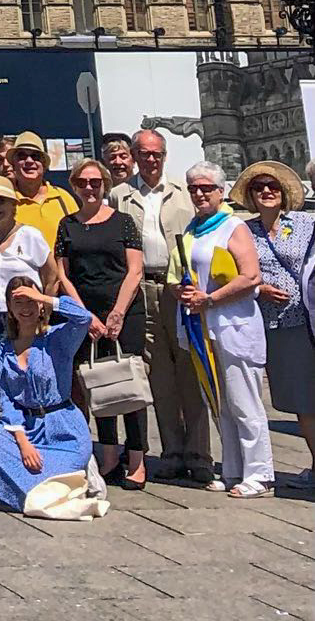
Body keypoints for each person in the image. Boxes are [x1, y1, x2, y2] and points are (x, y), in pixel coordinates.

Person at [110, 127, 206, 483]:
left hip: (179, 287)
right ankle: (172, 452)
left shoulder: (182, 192)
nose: (151, 159)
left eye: (157, 154)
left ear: (165, 156)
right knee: (159, 374)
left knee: (189, 370)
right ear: (134, 156)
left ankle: (199, 453)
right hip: (141, 288)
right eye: (145, 153)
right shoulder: (120, 195)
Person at [174, 162, 271, 497]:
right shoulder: (193, 228)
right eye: (193, 189)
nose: (199, 194)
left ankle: (259, 473)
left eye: (206, 188)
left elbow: (251, 276)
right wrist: (183, 292)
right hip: (203, 325)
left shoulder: (233, 227)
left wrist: (211, 299)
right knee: (220, 401)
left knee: (245, 401)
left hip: (233, 324)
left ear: (221, 191)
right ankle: (232, 470)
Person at [53, 158, 147, 487]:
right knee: (98, 383)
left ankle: (137, 458)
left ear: (105, 185)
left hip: (125, 311)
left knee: (130, 384)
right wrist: (85, 316)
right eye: (82, 183)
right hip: (86, 314)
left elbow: (135, 269)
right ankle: (108, 454)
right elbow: (63, 274)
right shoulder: (67, 224)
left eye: (95, 182)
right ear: (74, 186)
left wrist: (117, 313)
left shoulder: (122, 222)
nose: (89, 188)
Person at [0, 284, 100, 517]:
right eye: (19, 302)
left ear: (41, 305)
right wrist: (23, 444)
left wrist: (44, 297)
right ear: (9, 309)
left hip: (64, 431)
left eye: (30, 301)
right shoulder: (2, 350)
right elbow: (8, 400)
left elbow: (84, 318)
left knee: (39, 474)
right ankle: (56, 491)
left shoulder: (58, 338)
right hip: (29, 429)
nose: (26, 308)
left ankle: (46, 489)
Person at [231, 159, 315, 479]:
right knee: (302, 399)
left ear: (283, 192)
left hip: (309, 318)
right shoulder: (244, 231)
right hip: (278, 325)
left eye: (273, 186)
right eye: (259, 187)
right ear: (251, 195)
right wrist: (259, 288)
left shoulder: (306, 223)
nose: (266, 191)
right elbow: (235, 273)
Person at [0, 176, 53, 333]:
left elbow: (52, 277)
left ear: (13, 203)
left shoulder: (31, 235)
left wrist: (45, 313)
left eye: (0, 200)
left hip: (25, 317)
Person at [8, 133, 77, 247]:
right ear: (13, 164)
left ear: (44, 165)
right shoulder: (4, 200)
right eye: (22, 156)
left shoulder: (63, 198)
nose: (29, 161)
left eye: (35, 156)